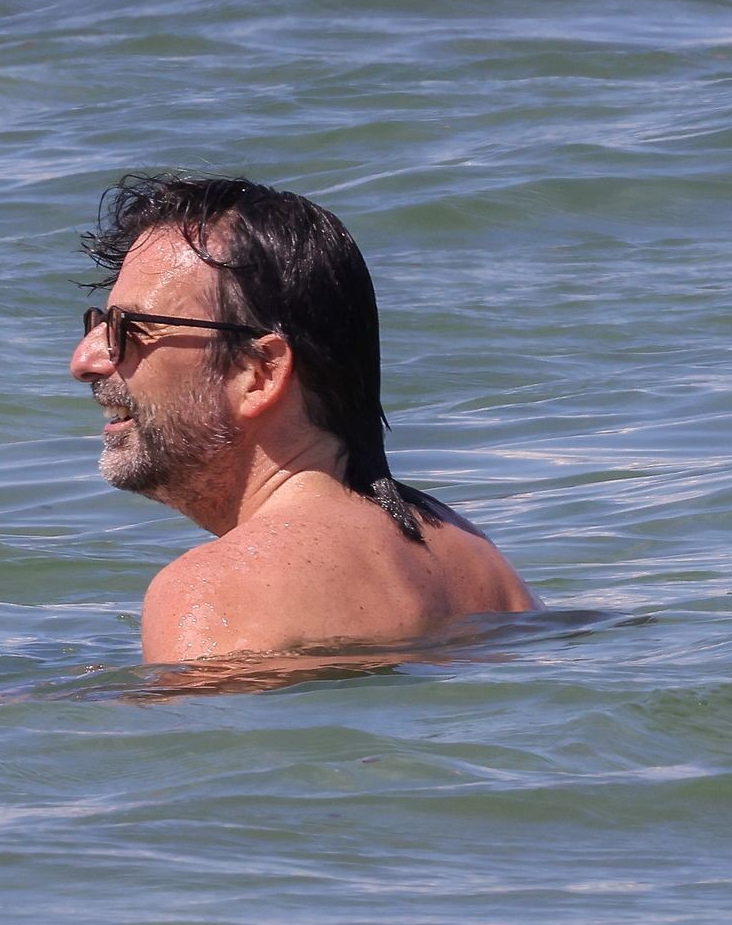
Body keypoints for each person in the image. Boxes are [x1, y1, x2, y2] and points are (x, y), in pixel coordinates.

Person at [69, 175, 534, 663]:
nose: (84, 360)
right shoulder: (476, 561)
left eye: (130, 329)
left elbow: (202, 714)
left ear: (258, 374)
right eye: (99, 325)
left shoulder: (213, 592)